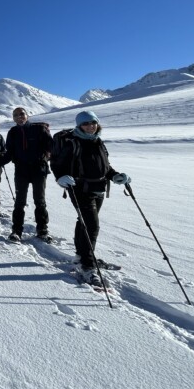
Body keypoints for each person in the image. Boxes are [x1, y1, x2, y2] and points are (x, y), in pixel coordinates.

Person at [51, 110, 131, 287]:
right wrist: (60, 177)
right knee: (92, 225)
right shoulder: (72, 142)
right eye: (85, 124)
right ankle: (88, 265)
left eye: (93, 122)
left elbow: (105, 166)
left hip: (99, 188)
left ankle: (82, 256)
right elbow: (57, 163)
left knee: (84, 222)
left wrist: (115, 176)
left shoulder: (97, 141)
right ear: (79, 126)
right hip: (79, 188)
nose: (90, 126)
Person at [2, 107, 53, 243]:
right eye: (16, 115)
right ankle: (16, 231)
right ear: (13, 118)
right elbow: (9, 153)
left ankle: (42, 230)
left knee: (40, 201)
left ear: (27, 115)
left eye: (22, 114)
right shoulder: (12, 132)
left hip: (39, 170)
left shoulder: (39, 129)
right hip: (21, 170)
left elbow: (52, 147)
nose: (19, 117)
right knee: (20, 202)